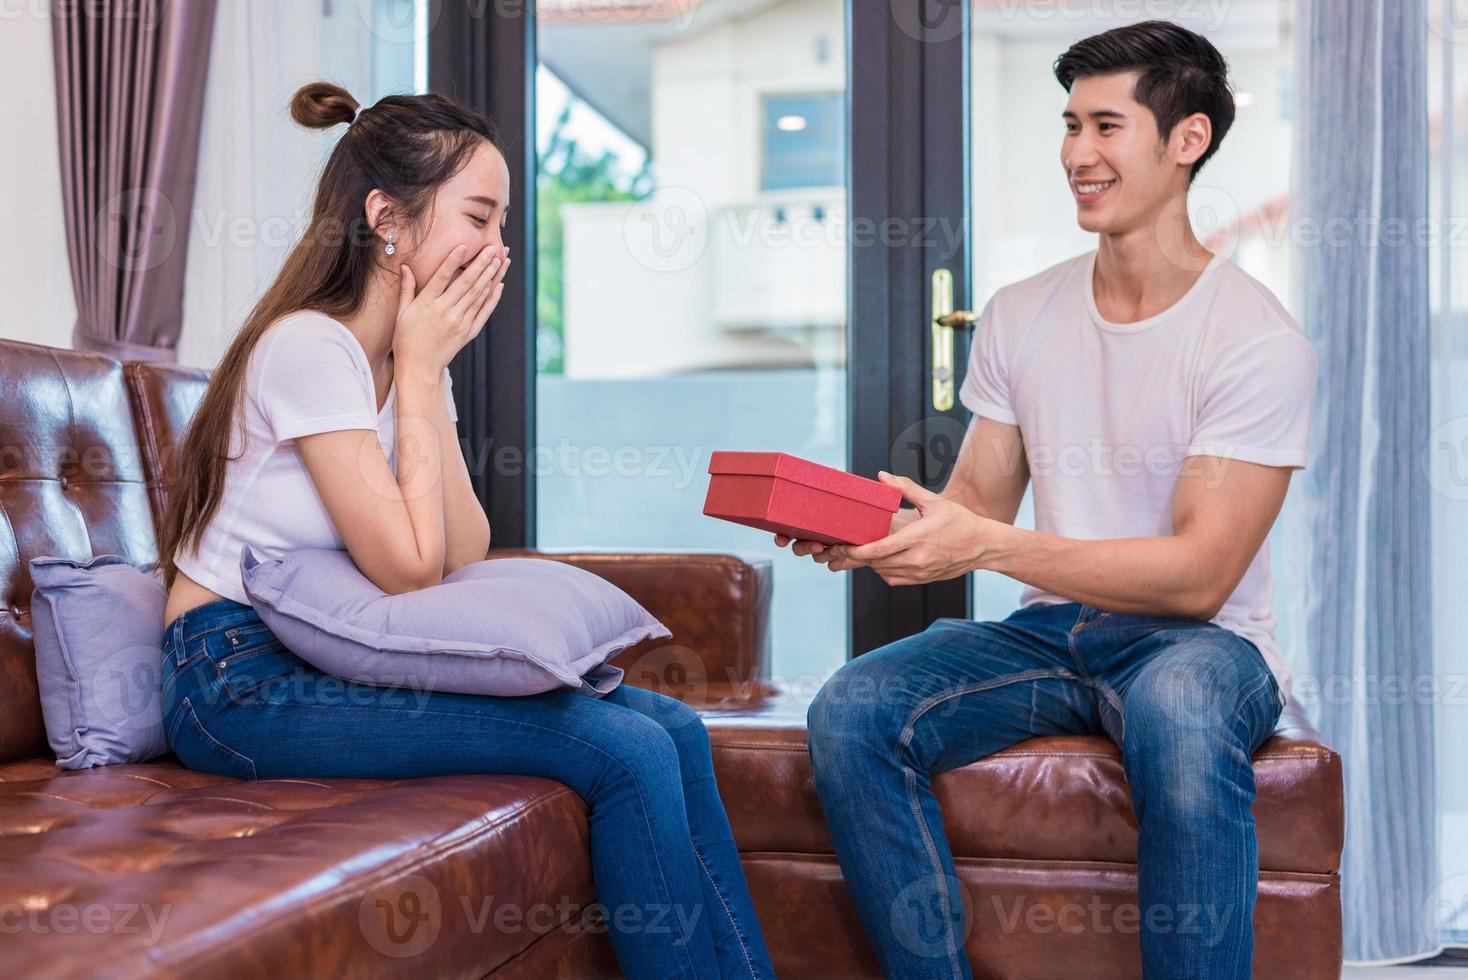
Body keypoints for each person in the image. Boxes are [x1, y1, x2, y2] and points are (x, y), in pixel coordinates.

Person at [157, 81, 774, 980]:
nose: (500, 248)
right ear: (386, 219)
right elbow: (409, 572)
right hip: (233, 681)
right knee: (622, 748)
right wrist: (417, 372)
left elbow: (463, 549)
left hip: (324, 650)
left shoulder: (407, 357)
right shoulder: (309, 347)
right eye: (479, 218)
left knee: (673, 727)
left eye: (502, 223)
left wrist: (425, 377)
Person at [779, 21, 1316, 980]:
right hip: (1051, 632)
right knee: (853, 707)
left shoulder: (1252, 339)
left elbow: (1198, 575)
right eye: (1070, 125)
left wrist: (982, 547)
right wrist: (873, 535)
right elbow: (975, 502)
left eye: (1106, 126)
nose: (1077, 154)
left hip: (1201, 641)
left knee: (1184, 716)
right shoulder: (1022, 313)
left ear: (1185, 140)